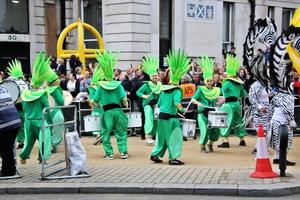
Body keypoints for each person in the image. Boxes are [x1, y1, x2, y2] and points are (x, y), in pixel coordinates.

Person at [150, 49, 190, 165]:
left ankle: (155, 154)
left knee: (161, 138)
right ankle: (173, 158)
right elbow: (177, 103)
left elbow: (159, 104)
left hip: (161, 117)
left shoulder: (164, 90)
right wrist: (183, 110)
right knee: (174, 138)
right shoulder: (177, 90)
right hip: (171, 118)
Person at [91, 51, 129, 160]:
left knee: (106, 133)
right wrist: (125, 105)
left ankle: (109, 153)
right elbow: (124, 98)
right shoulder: (118, 85)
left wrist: (97, 103)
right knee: (121, 132)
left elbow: (94, 101)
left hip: (107, 112)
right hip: (118, 111)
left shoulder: (100, 87)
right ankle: (123, 152)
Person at [19, 52, 52, 164]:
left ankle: (23, 156)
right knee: (44, 139)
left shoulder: (25, 94)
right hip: (39, 120)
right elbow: (47, 108)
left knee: (28, 140)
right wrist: (50, 120)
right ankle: (42, 159)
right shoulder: (41, 95)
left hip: (28, 121)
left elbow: (24, 107)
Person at [191, 55, 221, 153]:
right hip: (202, 113)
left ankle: (210, 144)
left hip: (212, 113)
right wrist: (199, 103)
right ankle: (202, 147)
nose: (209, 82)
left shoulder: (216, 90)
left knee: (215, 130)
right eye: (207, 81)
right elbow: (193, 99)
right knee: (204, 130)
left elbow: (218, 98)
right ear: (204, 81)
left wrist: (222, 100)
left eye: (210, 81)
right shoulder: (201, 89)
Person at [218, 55, 247, 148]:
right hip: (237, 105)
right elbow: (244, 94)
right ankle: (242, 140)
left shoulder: (227, 83)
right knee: (238, 121)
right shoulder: (239, 85)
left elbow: (221, 91)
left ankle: (225, 141)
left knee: (225, 122)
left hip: (228, 106)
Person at [136, 55, 162, 145]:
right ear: (150, 77)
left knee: (156, 119)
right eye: (153, 76)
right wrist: (145, 96)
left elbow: (161, 94)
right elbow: (138, 92)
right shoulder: (146, 85)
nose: (155, 77)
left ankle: (154, 136)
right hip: (147, 104)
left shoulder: (159, 84)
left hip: (156, 105)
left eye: (156, 76)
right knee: (149, 119)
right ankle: (148, 137)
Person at [0, 85, 21, 176]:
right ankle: (9, 169)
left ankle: (8, 171)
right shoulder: (3, 87)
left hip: (5, 124)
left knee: (5, 148)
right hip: (14, 121)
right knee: (6, 148)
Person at [6, 59, 26, 148]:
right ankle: (20, 141)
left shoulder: (24, 85)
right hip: (16, 108)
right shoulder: (24, 84)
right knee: (18, 127)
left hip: (21, 109)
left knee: (20, 126)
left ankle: (21, 141)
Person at [46, 67, 65, 153]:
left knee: (48, 129)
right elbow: (61, 101)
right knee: (58, 128)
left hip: (47, 112)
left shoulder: (45, 90)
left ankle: (48, 145)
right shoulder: (56, 89)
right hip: (56, 111)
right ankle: (54, 145)